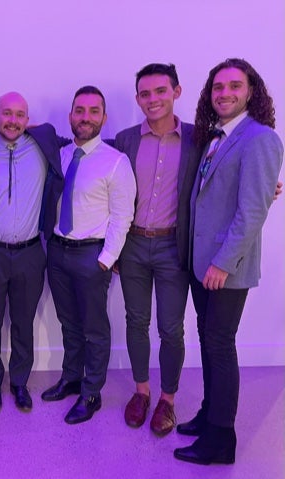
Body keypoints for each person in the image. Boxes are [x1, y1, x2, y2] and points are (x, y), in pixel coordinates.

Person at [174, 58, 283, 465]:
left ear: (250, 91)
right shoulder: (214, 137)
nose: (225, 93)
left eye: (234, 86)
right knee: (209, 341)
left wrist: (223, 263)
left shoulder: (260, 139)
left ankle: (221, 440)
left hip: (225, 268)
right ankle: (209, 414)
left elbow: (252, 212)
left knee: (220, 346)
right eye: (218, 87)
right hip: (203, 263)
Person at [113, 64, 201, 435]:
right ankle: (141, 391)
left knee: (171, 329)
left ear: (176, 92)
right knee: (136, 321)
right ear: (138, 99)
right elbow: (106, 186)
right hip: (132, 243)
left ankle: (167, 399)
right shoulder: (125, 139)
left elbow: (228, 171)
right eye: (145, 94)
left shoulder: (200, 139)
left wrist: (267, 185)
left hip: (172, 246)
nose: (153, 99)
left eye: (160, 91)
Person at [42, 86, 136, 424]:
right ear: (70, 116)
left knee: (94, 328)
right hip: (58, 251)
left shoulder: (116, 162)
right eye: (79, 111)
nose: (85, 117)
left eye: (93, 111)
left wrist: (106, 259)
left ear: (104, 118)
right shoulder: (62, 155)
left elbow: (123, 215)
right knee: (69, 322)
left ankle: (92, 391)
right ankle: (71, 378)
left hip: (91, 256)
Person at [0, 91, 67, 412]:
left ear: (29, 120)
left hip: (30, 252)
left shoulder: (44, 142)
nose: (13, 120)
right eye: (6, 114)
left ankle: (21, 383)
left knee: (24, 322)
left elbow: (72, 138)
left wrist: (38, 129)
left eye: (20, 114)